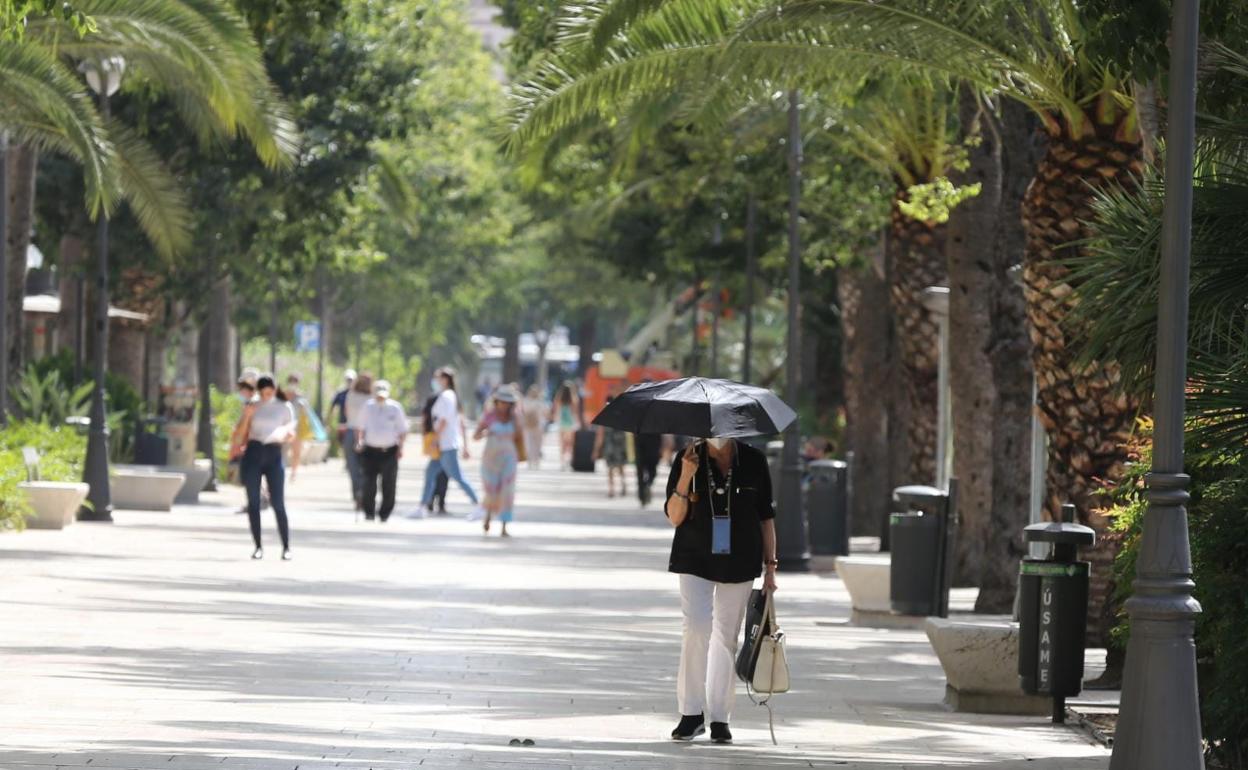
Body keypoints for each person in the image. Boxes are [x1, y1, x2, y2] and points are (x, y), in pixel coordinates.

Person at [663, 436, 778, 744]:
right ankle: (690, 712)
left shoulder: (753, 460)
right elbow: (674, 515)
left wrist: (771, 566)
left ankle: (719, 717)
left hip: (740, 559)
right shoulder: (687, 457)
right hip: (693, 556)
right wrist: (687, 475)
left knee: (726, 636)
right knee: (697, 627)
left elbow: (766, 516)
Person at [231, 375, 296, 561]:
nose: (268, 396)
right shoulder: (253, 405)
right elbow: (239, 434)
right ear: (259, 391)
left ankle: (286, 546)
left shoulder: (284, 406)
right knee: (253, 502)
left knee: (278, 503)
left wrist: (288, 436)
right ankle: (258, 546)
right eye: (264, 392)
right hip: (254, 451)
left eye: (271, 392)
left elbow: (291, 432)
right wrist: (248, 415)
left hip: (274, 453)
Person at [420, 368, 480, 515]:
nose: (435, 381)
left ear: (445, 379)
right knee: (430, 474)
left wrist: (436, 438)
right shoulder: (448, 396)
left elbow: (444, 420)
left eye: (438, 378)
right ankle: (421, 507)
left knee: (458, 477)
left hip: (446, 445)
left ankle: (479, 505)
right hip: (444, 444)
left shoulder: (447, 396)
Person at [356, 379, 408, 522]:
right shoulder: (367, 407)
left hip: (390, 450)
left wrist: (401, 448)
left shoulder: (395, 408)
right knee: (369, 483)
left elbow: (403, 430)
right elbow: (360, 427)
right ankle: (369, 512)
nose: (380, 398)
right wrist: (359, 442)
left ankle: (385, 513)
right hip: (370, 451)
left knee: (389, 484)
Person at [474, 386, 521, 536]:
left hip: (509, 457)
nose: (504, 405)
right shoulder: (489, 416)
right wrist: (487, 432)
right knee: (491, 489)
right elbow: (476, 435)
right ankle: (488, 516)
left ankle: (504, 525)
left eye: (507, 403)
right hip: (490, 458)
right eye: (501, 402)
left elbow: (519, 436)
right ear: (496, 402)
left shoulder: (515, 418)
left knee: (507, 491)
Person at [414, 391, 450, 516]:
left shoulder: (431, 410)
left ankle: (430, 501)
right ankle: (439, 503)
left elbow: (423, 426)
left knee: (433, 474)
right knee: (442, 475)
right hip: (442, 443)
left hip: (434, 441)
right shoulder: (442, 409)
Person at [343, 372, 373, 509]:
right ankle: (361, 495)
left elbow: (346, 413)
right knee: (363, 468)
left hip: (353, 431)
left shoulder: (350, 395)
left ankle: (358, 495)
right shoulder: (371, 398)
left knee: (354, 467)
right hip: (366, 433)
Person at [594, 394, 629, 498]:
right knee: (621, 467)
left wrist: (596, 450)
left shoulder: (604, 415)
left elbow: (600, 434)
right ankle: (623, 485)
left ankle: (611, 490)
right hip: (620, 445)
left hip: (609, 447)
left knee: (610, 469)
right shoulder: (621, 415)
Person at [550, 381, 580, 469]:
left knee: (562, 443)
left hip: (561, 422)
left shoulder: (559, 398)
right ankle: (569, 461)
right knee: (570, 444)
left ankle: (562, 461)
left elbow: (555, 409)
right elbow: (575, 412)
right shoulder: (574, 398)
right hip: (571, 423)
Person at [520, 384, 546, 470]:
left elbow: (523, 411)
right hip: (538, 425)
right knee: (537, 444)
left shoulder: (526, 401)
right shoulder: (540, 402)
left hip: (528, 425)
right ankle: (536, 462)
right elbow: (545, 413)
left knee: (529, 443)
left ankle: (530, 462)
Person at [330, 369, 357, 446]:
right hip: (342, 422)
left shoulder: (358, 395)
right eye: (348, 380)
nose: (349, 382)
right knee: (343, 443)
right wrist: (330, 420)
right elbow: (333, 406)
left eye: (351, 380)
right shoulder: (341, 393)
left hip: (354, 424)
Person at [635, 432, 662, 508]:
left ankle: (645, 489)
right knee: (644, 471)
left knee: (647, 472)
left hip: (648, 443)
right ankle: (643, 492)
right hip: (644, 443)